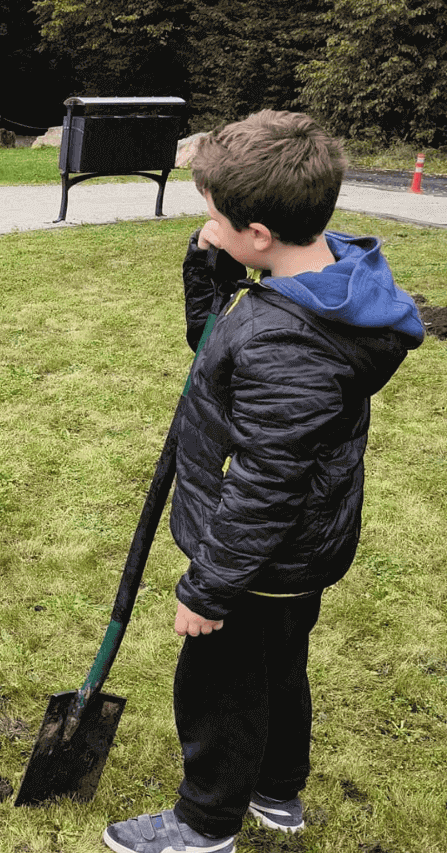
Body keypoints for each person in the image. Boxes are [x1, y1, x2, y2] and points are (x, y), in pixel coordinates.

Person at [103, 111, 424, 853]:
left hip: (258, 552)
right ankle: (277, 791)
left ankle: (205, 819)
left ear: (257, 233)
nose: (204, 224)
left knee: (221, 681)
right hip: (298, 545)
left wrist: (209, 589)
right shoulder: (320, 277)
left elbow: (264, 483)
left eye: (213, 215)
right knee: (281, 666)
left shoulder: (289, 346)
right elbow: (216, 341)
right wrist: (205, 267)